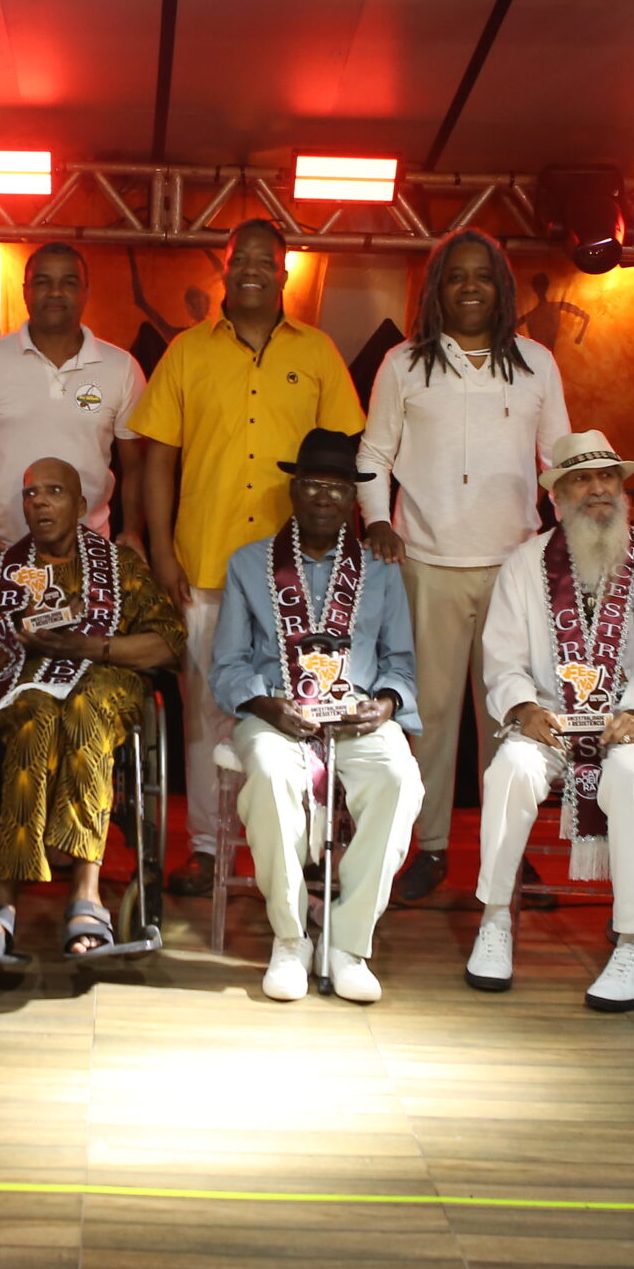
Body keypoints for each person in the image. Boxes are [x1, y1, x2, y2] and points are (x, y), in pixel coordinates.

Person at [131, 219, 366, 898]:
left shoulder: (318, 352)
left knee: (306, 706)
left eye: (269, 260)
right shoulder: (185, 352)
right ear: (225, 271)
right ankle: (209, 849)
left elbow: (346, 458)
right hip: (203, 565)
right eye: (242, 260)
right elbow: (159, 457)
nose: (254, 270)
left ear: (285, 274)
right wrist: (160, 550)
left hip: (302, 573)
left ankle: (301, 845)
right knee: (209, 711)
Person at [358, 226, 570, 905]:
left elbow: (559, 457)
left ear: (502, 288)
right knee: (435, 714)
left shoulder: (536, 362)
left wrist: (571, 544)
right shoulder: (403, 364)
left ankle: (507, 853)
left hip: (515, 568)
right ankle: (430, 848)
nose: (470, 286)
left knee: (508, 711)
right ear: (436, 289)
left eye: (482, 275)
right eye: (456, 276)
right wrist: (378, 520)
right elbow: (374, 454)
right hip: (428, 559)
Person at [471, 432, 634, 1010]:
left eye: (608, 477)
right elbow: (503, 660)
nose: (598, 488)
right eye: (582, 478)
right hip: (552, 724)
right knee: (510, 767)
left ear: (622, 490)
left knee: (626, 771)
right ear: (559, 496)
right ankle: (496, 919)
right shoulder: (527, 564)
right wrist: (525, 709)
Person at [212, 429, 421, 1003]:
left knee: (398, 779)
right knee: (274, 775)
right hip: (277, 710)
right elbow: (227, 664)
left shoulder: (380, 568)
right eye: (313, 484)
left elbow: (400, 664)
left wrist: (386, 704)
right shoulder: (249, 564)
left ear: (354, 499)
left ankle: (348, 942)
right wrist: (267, 705)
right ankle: (290, 938)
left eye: (337, 487)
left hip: (357, 717)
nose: (324, 496)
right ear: (294, 490)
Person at [0, 458, 185, 960]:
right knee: (37, 712)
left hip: (101, 681)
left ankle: (85, 891)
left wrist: (89, 649)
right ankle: (3, 901)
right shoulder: (2, 572)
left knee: (82, 707)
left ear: (81, 506)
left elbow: (169, 644)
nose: (39, 502)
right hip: (20, 689)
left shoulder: (119, 567)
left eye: (53, 491)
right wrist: (14, 634)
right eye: (30, 493)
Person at [0, 242, 147, 583]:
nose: (55, 292)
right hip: (0, 552)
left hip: (90, 555)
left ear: (85, 292)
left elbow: (137, 464)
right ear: (25, 291)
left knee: (90, 639)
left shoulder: (121, 368)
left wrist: (133, 531)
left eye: (68, 282)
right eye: (42, 281)